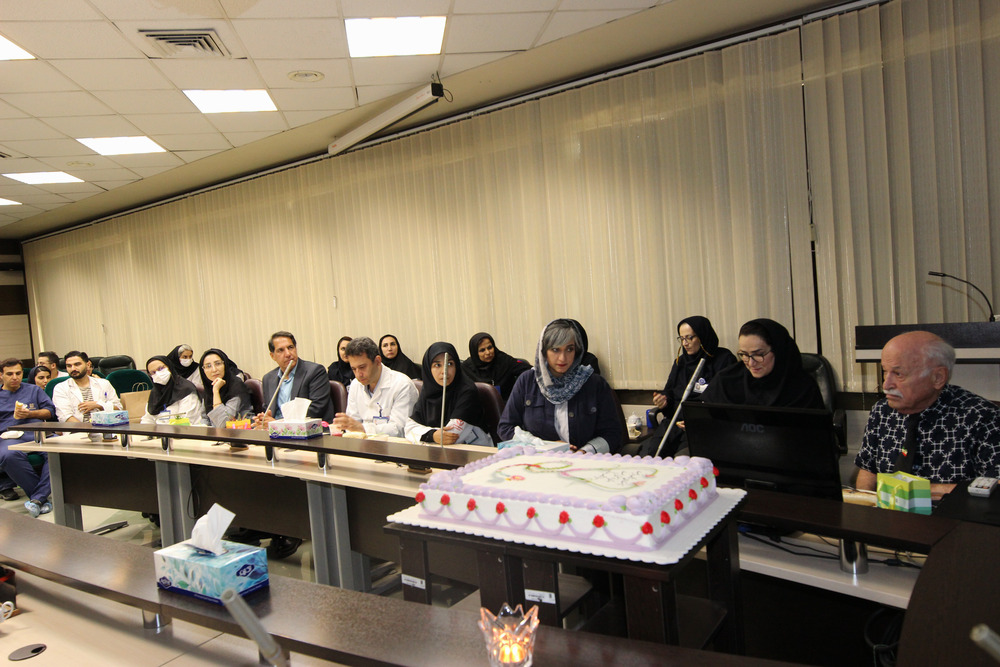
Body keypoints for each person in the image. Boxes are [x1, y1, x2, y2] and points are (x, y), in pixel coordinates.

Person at [855, 331, 1000, 501]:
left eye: (898, 374)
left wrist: (921, 492)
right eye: (885, 372)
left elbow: (995, 485)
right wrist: (864, 503)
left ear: (938, 378)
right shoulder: (881, 411)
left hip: (952, 515)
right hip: (886, 514)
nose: (886, 384)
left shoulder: (982, 417)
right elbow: (868, 470)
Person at [498, 319, 623, 453]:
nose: (563, 358)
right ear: (544, 351)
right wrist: (544, 446)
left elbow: (613, 433)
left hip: (586, 461)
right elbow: (505, 428)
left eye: (569, 349)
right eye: (555, 350)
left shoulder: (595, 384)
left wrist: (586, 451)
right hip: (540, 460)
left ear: (577, 351)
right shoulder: (527, 381)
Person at [646, 316, 737, 456]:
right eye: (681, 338)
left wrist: (696, 418)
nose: (685, 343)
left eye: (689, 338)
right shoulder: (680, 362)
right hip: (675, 422)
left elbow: (725, 400)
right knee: (652, 454)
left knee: (682, 459)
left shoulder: (723, 359)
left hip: (703, 426)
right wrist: (663, 400)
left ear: (702, 336)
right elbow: (670, 391)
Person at [700, 318, 824, 409]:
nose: (751, 363)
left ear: (778, 351)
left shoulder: (803, 389)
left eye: (758, 354)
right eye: (744, 354)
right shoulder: (726, 381)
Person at [406, 342, 493, 446]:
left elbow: (451, 436)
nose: (444, 371)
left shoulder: (467, 391)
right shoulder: (428, 390)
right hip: (435, 450)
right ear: (428, 369)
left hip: (473, 450)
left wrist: (424, 434)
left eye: (449, 364)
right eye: (437, 365)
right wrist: (432, 435)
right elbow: (409, 428)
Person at [0, 358, 55, 517]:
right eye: (9, 374)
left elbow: (49, 412)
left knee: (56, 453)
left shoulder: (33, 390)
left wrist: (30, 414)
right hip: (8, 436)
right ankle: (40, 499)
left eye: (18, 373)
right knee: (8, 455)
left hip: (37, 433)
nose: (15, 377)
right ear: (1, 375)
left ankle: (37, 499)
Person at [333, 337, 418, 438]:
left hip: (393, 445)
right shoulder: (355, 385)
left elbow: (400, 429)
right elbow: (352, 424)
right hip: (362, 443)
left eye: (362, 367)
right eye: (354, 369)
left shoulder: (402, 384)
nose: (358, 374)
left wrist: (363, 429)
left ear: (377, 361)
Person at [255, 331, 334, 425]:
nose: (288, 354)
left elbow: (316, 409)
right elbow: (268, 409)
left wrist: (278, 424)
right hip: (275, 431)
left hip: (307, 430)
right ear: (273, 356)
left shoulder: (315, 371)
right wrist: (263, 420)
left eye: (290, 347)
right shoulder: (268, 379)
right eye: (281, 350)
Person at [53, 351, 123, 422]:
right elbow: (65, 417)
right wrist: (86, 429)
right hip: (77, 428)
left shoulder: (103, 383)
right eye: (69, 366)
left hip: (105, 426)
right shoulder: (61, 388)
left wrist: (99, 405)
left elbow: (118, 408)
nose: (73, 369)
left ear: (88, 365)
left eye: (77, 364)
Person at [461, 332, 530, 401]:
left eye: (490, 347)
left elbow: (529, 370)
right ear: (475, 353)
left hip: (506, 404)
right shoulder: (466, 368)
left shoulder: (504, 361)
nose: (488, 352)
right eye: (482, 350)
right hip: (478, 406)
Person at [140, 355, 206, 424]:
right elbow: (147, 419)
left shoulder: (186, 389)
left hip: (182, 429)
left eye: (161, 368)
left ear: (169, 367)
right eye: (153, 372)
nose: (158, 374)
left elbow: (187, 420)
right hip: (159, 430)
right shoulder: (155, 393)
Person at [199, 348, 253, 428]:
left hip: (239, 433)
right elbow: (204, 418)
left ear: (225, 365)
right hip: (216, 434)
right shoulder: (209, 387)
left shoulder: (236, 387)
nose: (214, 369)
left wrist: (216, 391)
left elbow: (223, 423)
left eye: (218, 364)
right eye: (208, 366)